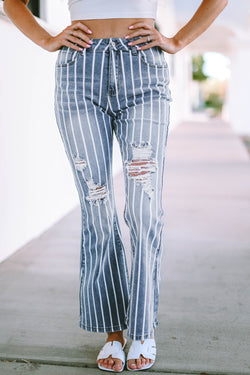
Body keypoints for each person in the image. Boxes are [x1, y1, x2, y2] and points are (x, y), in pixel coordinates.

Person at [4, 0, 228, 372]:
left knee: (144, 210)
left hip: (143, 72)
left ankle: (142, 328)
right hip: (79, 74)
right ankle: (112, 333)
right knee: (97, 207)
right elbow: (12, 2)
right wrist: (47, 40)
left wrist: (175, 40)